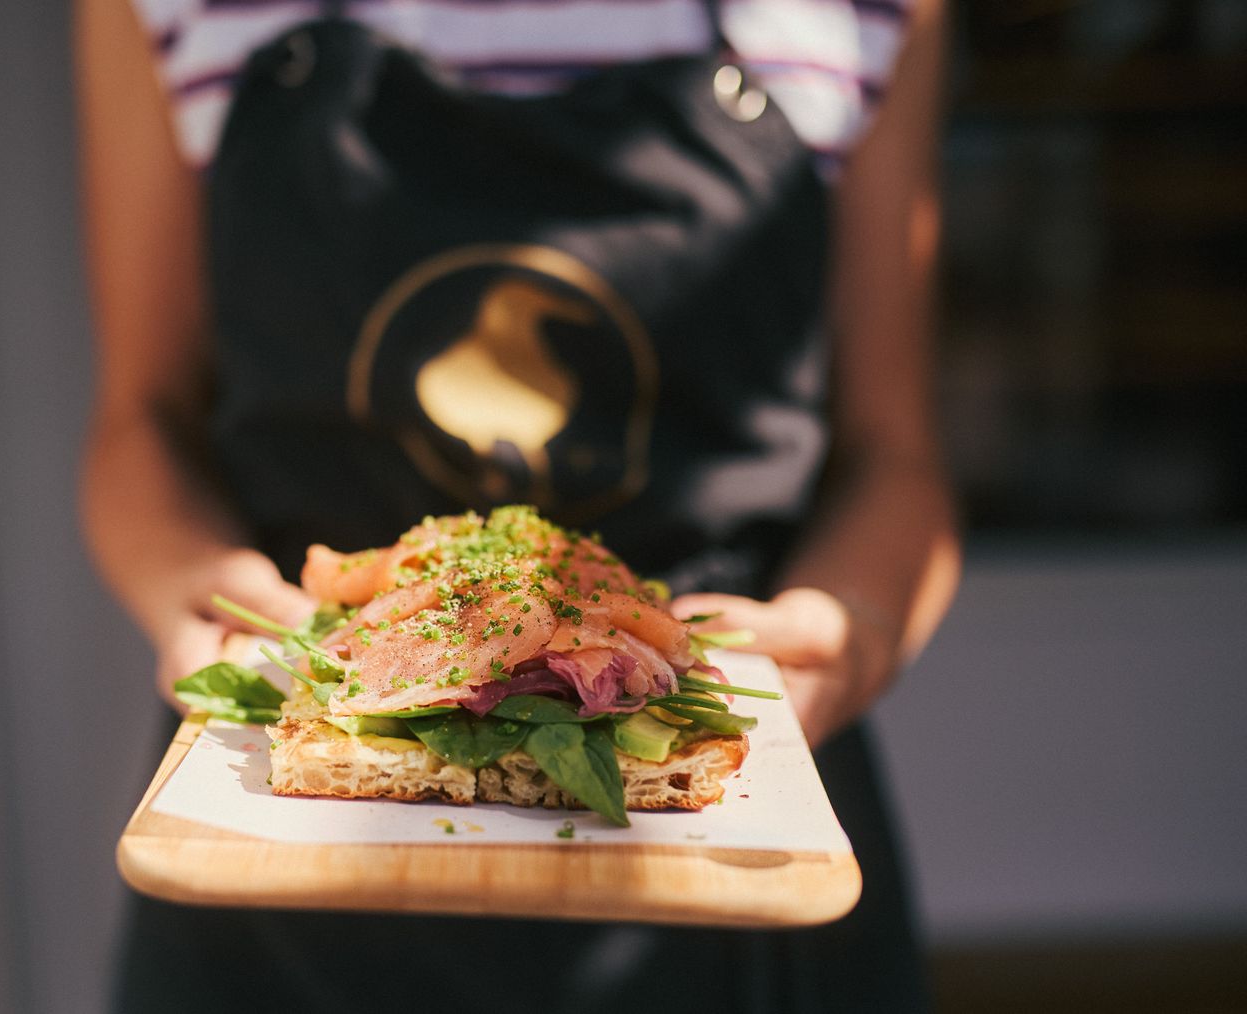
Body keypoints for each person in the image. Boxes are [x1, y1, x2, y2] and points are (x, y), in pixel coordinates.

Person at [76, 0, 961, 1009]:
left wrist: (855, 624)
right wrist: (192, 585)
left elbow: (893, 454)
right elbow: (139, 420)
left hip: (727, 827)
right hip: (287, 833)